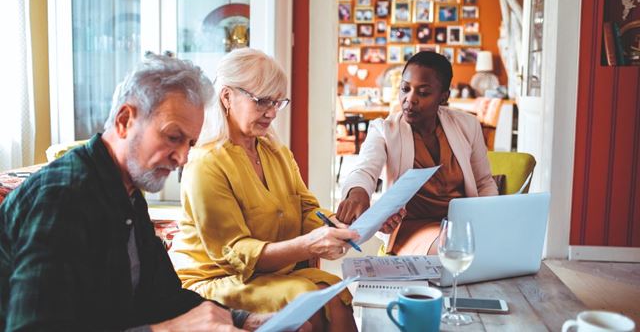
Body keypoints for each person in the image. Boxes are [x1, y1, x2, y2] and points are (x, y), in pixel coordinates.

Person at [0, 54, 276, 331]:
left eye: (190, 143)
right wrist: (169, 329)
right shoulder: (62, 198)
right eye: (172, 137)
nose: (182, 158)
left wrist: (244, 319)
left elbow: (164, 297)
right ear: (124, 120)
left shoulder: (128, 192)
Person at [169, 48, 359, 331]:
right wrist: (308, 244)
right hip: (215, 279)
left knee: (337, 293)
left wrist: (335, 225)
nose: (271, 112)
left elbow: (307, 209)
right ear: (227, 97)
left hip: (266, 274)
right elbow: (234, 254)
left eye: (277, 102)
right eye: (262, 102)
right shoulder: (206, 163)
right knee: (306, 297)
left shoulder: (274, 150)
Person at [336, 51, 498, 255]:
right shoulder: (384, 130)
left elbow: (484, 182)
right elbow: (365, 170)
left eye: (423, 93)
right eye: (405, 89)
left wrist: (489, 218)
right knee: (455, 248)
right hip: (411, 227)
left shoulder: (467, 125)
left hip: (462, 224)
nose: (409, 100)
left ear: (443, 97)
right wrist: (357, 192)